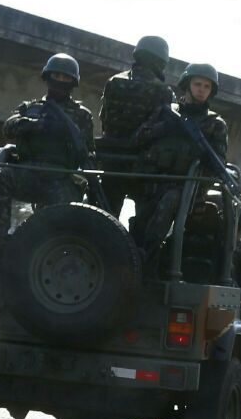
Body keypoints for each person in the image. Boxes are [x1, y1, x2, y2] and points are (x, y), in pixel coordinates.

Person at [0, 53, 95, 243]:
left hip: (61, 178)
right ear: (48, 77)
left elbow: (89, 152)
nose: (60, 81)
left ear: (72, 82)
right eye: (57, 76)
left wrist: (85, 176)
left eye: (65, 77)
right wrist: (33, 125)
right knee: (1, 178)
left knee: (65, 214)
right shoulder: (31, 108)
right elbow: (8, 127)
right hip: (29, 171)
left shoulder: (81, 116)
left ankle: (51, 249)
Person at [133, 62, 230, 261]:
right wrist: (163, 128)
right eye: (197, 84)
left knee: (168, 203)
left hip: (186, 189)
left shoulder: (215, 125)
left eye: (206, 86)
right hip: (153, 181)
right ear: (187, 84)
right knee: (140, 223)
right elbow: (138, 139)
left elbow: (218, 163)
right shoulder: (166, 112)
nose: (201, 90)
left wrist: (203, 157)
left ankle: (145, 259)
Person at [97, 35, 176, 239]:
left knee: (102, 221)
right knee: (144, 227)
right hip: (144, 169)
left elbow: (105, 120)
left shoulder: (114, 82)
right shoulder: (163, 91)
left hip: (111, 163)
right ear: (162, 61)